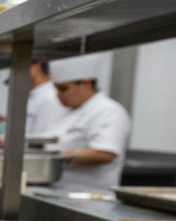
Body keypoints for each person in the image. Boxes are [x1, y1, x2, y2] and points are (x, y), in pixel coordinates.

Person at [46, 55, 132, 192]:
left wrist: (56, 158)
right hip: (58, 192)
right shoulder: (63, 113)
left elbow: (105, 154)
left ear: (86, 83)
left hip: (90, 196)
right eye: (56, 89)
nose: (58, 95)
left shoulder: (108, 111)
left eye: (63, 89)